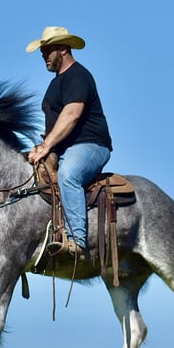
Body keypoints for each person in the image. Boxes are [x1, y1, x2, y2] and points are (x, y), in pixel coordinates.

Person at [26, 26, 113, 258]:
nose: (43, 55)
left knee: (69, 175)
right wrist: (41, 148)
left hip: (92, 145)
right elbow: (55, 125)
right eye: (42, 51)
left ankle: (77, 240)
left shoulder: (79, 76)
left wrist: (46, 146)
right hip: (65, 148)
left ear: (63, 49)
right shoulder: (56, 82)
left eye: (47, 50)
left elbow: (71, 115)